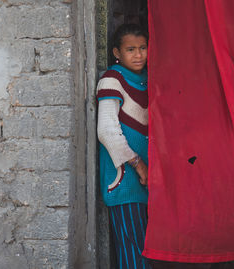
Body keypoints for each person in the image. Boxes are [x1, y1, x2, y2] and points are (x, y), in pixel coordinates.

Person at [96, 24, 151, 269]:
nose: (138, 55)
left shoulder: (151, 78)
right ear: (117, 52)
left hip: (152, 180)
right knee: (133, 246)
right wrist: (138, 164)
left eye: (142, 48)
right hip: (126, 179)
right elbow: (107, 130)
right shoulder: (112, 79)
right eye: (130, 49)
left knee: (152, 249)